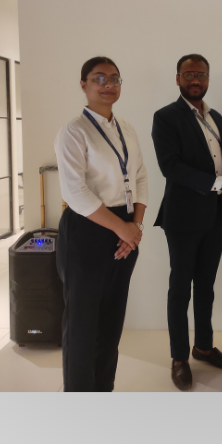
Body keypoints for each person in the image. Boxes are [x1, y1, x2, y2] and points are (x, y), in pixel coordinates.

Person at [151, 54, 222, 390]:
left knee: (206, 285)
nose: (196, 80)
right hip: (182, 217)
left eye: (202, 74)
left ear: (208, 78)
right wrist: (221, 183)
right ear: (178, 78)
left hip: (215, 215)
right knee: (180, 288)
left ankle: (203, 347)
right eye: (189, 74)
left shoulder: (215, 116)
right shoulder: (165, 117)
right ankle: (179, 357)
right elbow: (171, 166)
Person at [54, 56, 148, 392]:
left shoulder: (127, 129)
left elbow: (140, 177)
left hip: (126, 230)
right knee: (82, 323)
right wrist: (122, 229)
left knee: (111, 319)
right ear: (84, 85)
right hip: (87, 230)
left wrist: (135, 227)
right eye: (99, 78)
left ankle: (104, 388)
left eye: (114, 79)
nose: (108, 85)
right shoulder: (73, 132)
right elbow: (74, 192)